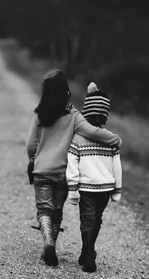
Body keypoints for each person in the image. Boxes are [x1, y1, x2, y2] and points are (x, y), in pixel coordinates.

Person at [26, 70, 122, 267]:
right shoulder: (74, 116)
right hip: (61, 173)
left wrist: (33, 159)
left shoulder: (39, 115)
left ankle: (48, 242)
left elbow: (30, 145)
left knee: (44, 208)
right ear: (66, 93)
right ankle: (51, 243)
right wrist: (115, 140)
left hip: (41, 171)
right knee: (57, 211)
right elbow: (93, 132)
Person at [66, 82, 122, 273]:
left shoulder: (78, 138)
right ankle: (87, 251)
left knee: (87, 220)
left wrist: (72, 189)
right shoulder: (110, 140)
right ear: (104, 116)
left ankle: (88, 255)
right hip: (105, 188)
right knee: (96, 219)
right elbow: (117, 167)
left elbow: (72, 164)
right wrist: (117, 190)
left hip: (86, 188)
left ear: (85, 113)